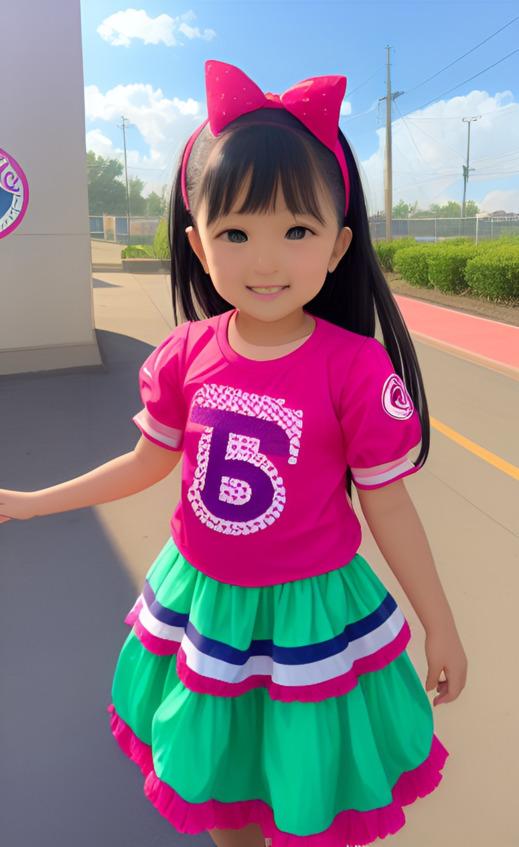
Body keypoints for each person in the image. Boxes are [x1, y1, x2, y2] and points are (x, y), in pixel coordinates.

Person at [0, 59, 468, 847]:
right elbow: (146, 461)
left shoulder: (355, 369)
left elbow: (388, 503)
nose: (264, 261)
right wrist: (30, 501)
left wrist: (440, 624)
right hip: (205, 607)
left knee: (301, 780)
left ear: (338, 244)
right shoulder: (184, 354)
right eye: (235, 233)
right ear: (198, 242)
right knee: (220, 781)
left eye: (296, 231)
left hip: (308, 617)